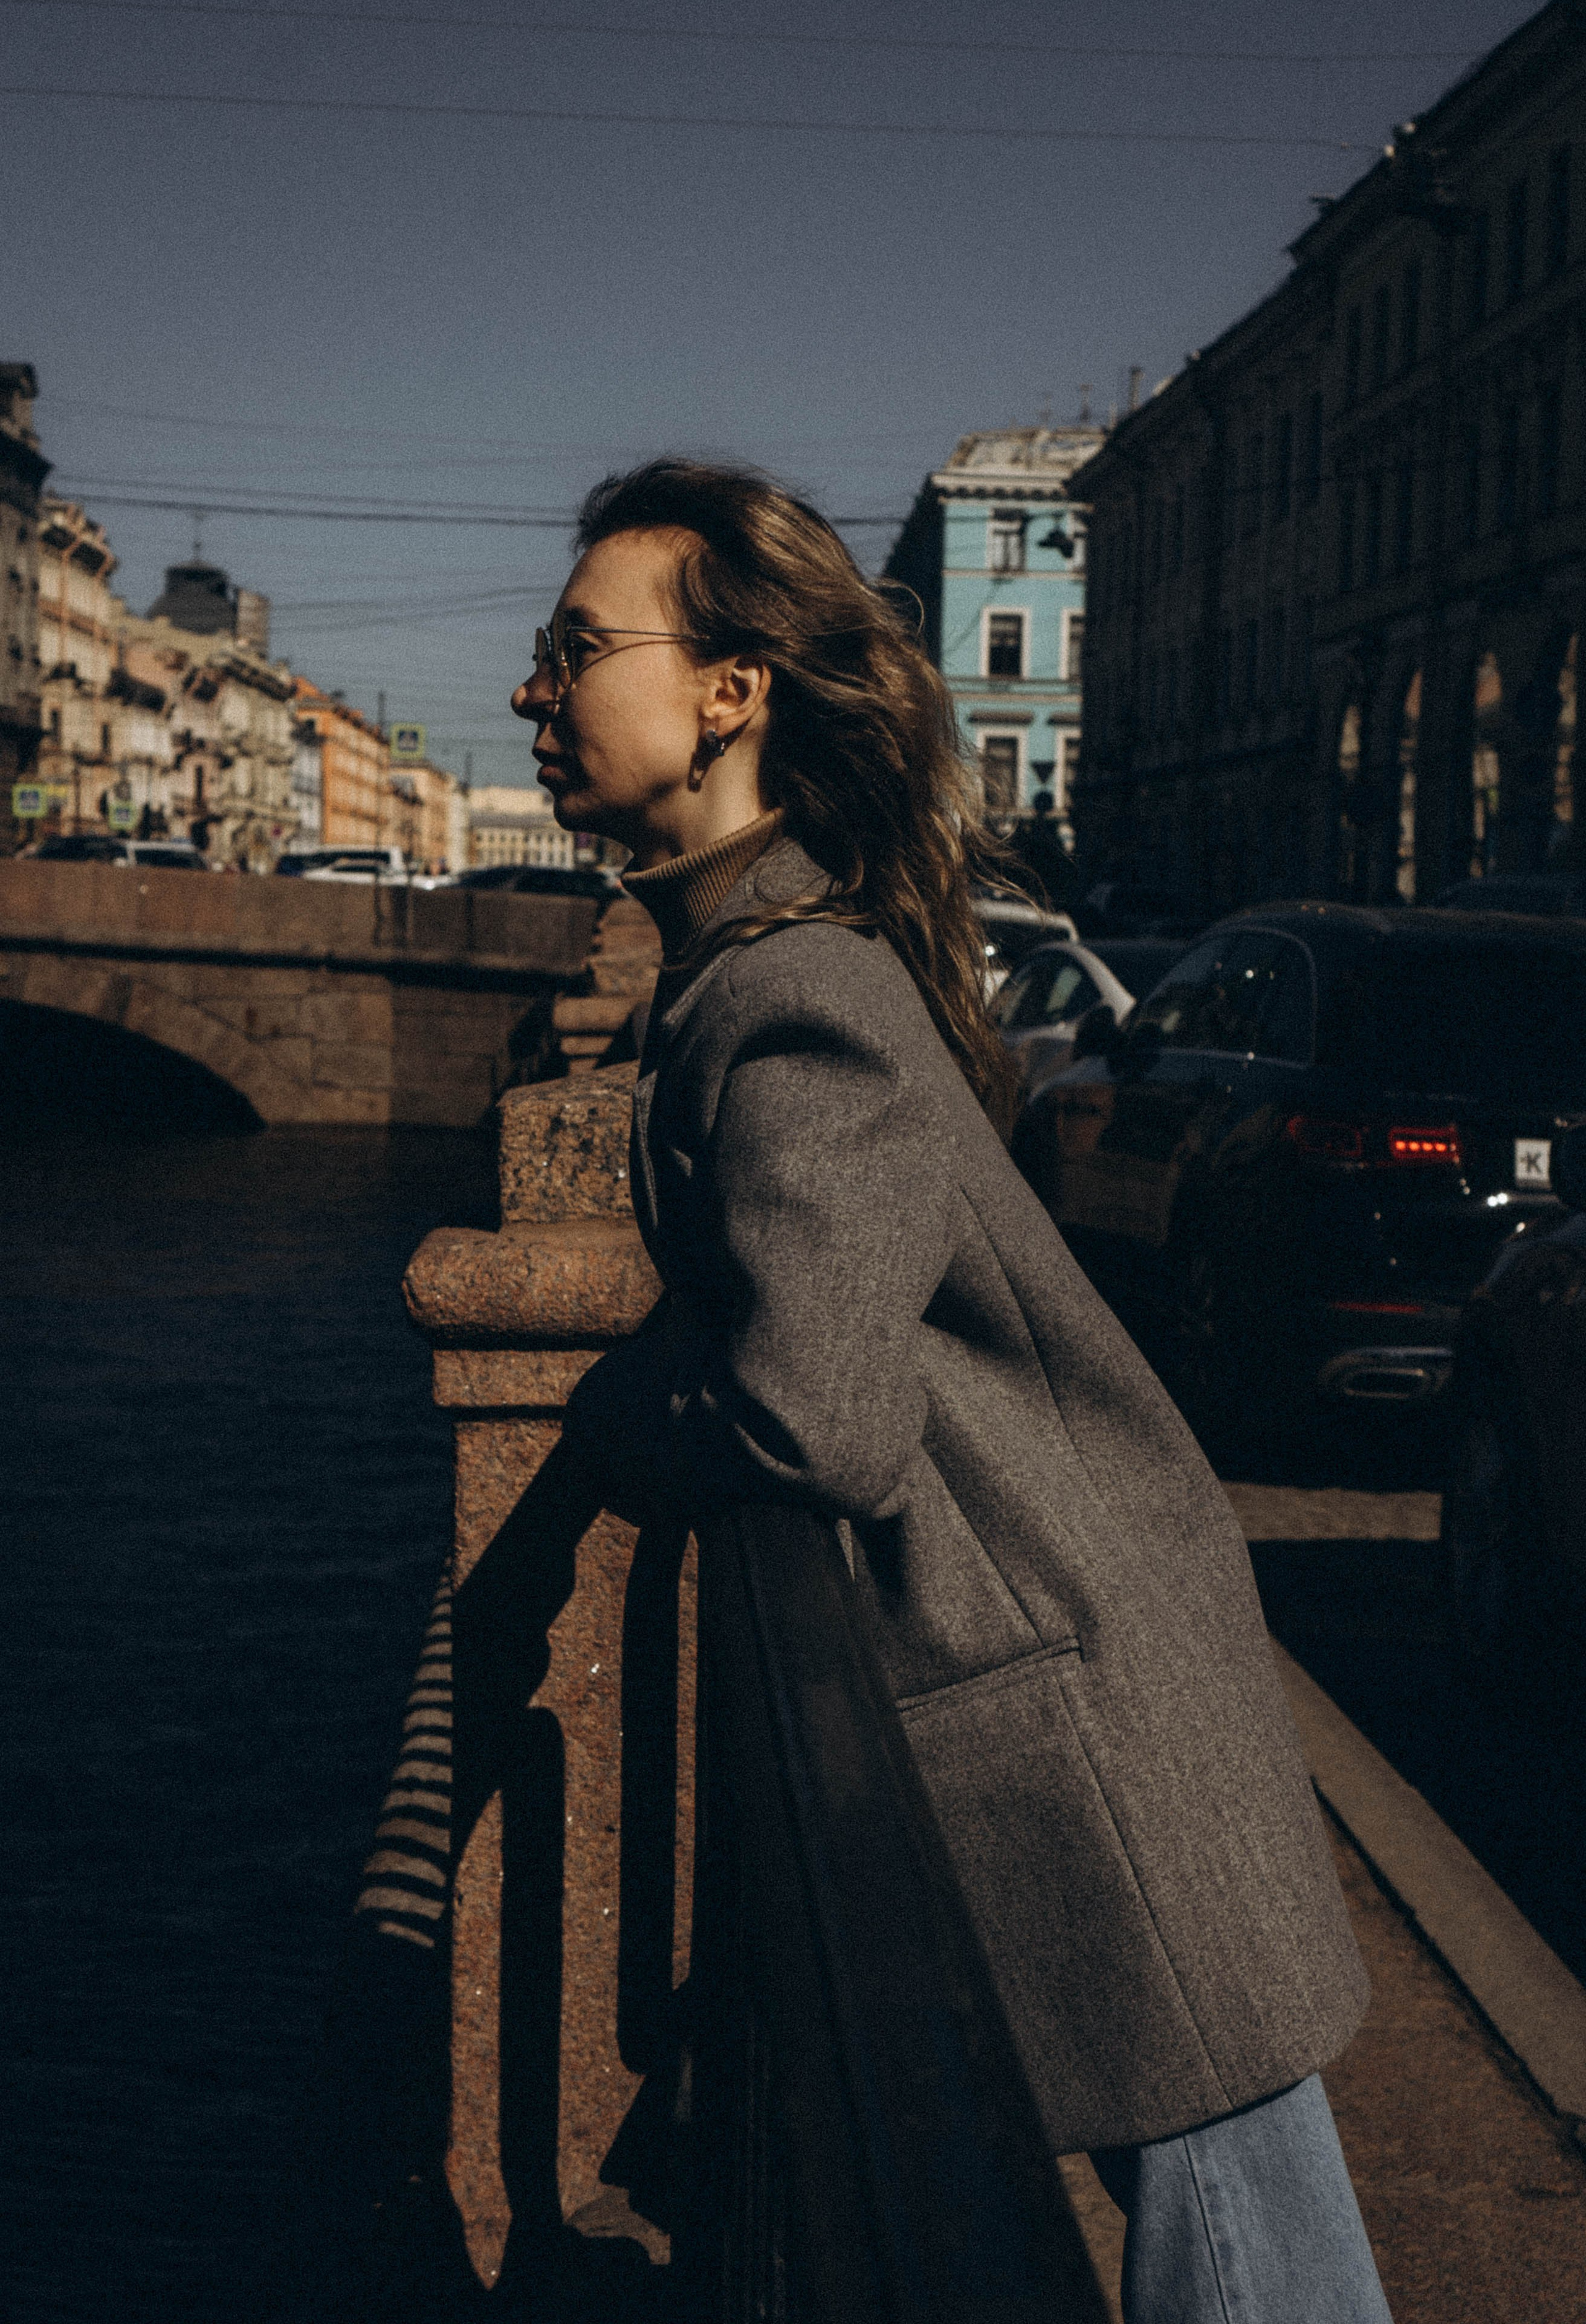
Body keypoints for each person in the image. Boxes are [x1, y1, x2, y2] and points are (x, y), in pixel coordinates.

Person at [510, 460, 1392, 2324]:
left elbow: (811, 1409)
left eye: (581, 648)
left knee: (1246, 2249)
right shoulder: (764, 960)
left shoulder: (789, 992)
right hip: (1072, 1655)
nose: (538, 688)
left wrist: (615, 1418)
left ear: (730, 691)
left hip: (1074, 1693)